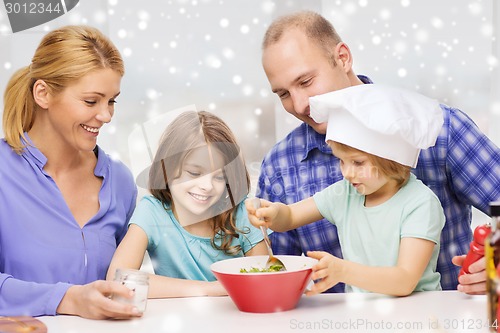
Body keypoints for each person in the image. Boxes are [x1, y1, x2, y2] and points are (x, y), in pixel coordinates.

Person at [257, 10, 500, 294]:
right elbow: (274, 274)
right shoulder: (281, 165)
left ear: (343, 58)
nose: (299, 106)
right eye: (283, 94)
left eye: (306, 82)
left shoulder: (440, 131)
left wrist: (496, 265)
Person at [248, 84, 446, 295]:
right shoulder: (345, 194)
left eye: (358, 163)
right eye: (341, 161)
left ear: (392, 158)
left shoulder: (420, 203)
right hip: (362, 316)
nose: (347, 173)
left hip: (416, 316)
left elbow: (404, 281)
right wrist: (273, 213)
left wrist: (342, 271)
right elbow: (290, 216)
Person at [0, 25, 140, 319]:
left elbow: (126, 280)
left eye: (111, 100)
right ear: (43, 94)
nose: (106, 115)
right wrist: (67, 299)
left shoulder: (121, 182)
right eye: (91, 101)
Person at [107, 111, 267, 297]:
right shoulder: (152, 211)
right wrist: (209, 289)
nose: (207, 186)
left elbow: (264, 280)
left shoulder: (242, 212)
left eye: (219, 177)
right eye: (194, 173)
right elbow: (117, 281)